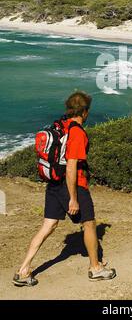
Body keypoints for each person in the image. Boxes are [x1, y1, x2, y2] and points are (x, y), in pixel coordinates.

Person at [13, 91, 116, 287]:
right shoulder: (77, 132)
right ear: (84, 112)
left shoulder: (61, 126)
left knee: (48, 225)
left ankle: (23, 270)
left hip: (54, 183)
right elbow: (71, 166)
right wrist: (73, 198)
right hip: (72, 185)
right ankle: (96, 268)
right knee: (89, 223)